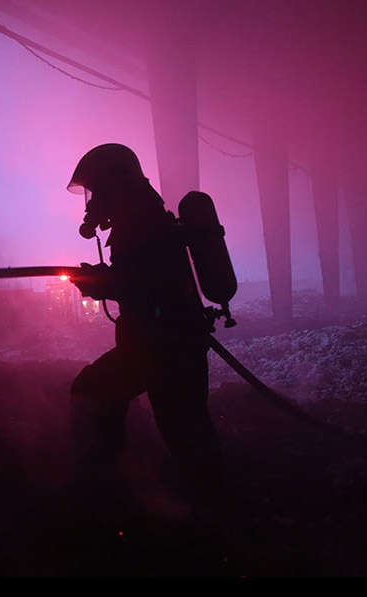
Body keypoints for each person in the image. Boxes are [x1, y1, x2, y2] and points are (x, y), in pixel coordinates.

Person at [67, 144, 221, 506]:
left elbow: (145, 284)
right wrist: (104, 279)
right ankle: (202, 504)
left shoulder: (139, 220)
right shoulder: (140, 214)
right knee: (186, 431)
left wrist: (101, 283)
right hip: (169, 343)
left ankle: (117, 487)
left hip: (162, 345)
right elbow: (141, 275)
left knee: (92, 391)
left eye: (95, 189)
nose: (92, 202)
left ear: (113, 182)